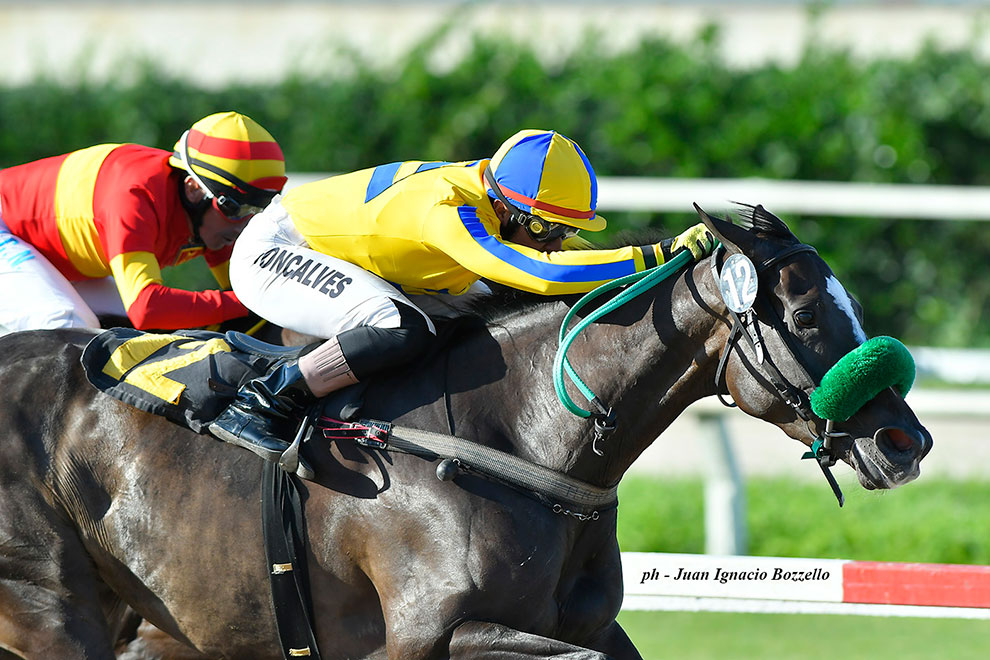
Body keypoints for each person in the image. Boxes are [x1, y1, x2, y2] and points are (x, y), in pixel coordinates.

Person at [210, 129, 715, 459]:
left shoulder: (500, 199)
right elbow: (541, 273)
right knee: (400, 329)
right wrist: (657, 253)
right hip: (276, 250)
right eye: (549, 229)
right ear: (511, 209)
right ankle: (264, 400)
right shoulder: (449, 210)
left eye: (565, 230)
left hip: (365, 260)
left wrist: (662, 262)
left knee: (488, 317)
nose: (557, 242)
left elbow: (567, 259)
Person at [0, 111, 287, 333]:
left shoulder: (209, 213)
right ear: (193, 188)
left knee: (155, 332)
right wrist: (250, 303)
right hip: (7, 227)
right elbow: (146, 308)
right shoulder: (134, 198)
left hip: (46, 252)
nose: (243, 225)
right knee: (70, 327)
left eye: (257, 209)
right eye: (235, 208)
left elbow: (241, 290)